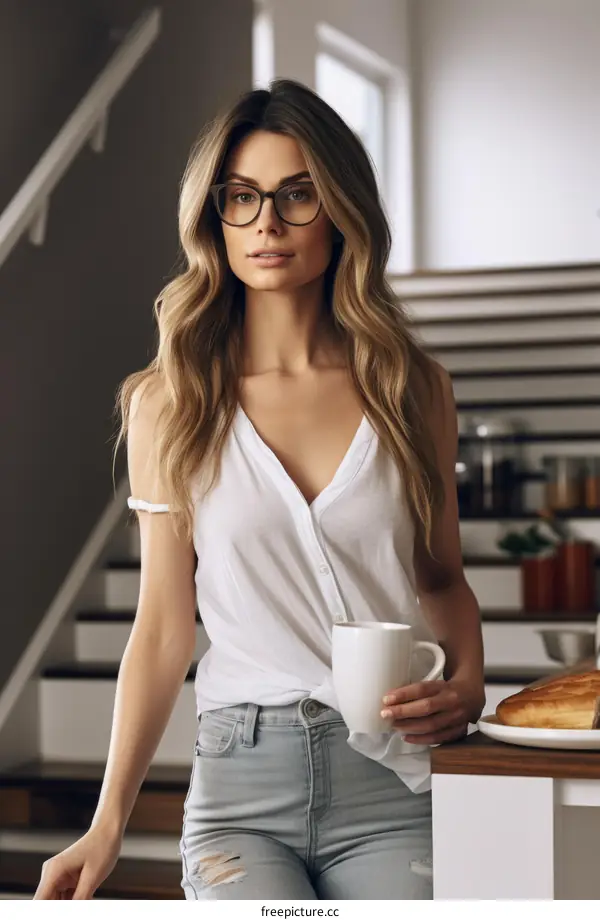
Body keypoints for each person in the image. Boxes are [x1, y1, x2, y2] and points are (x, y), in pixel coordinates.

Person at [33, 78, 485, 901]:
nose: (266, 223)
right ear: (215, 218)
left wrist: (467, 682)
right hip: (241, 792)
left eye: (296, 195)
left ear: (341, 210)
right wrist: (108, 822)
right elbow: (162, 627)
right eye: (241, 197)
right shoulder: (168, 402)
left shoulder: (414, 389)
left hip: (393, 783)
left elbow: (442, 578)